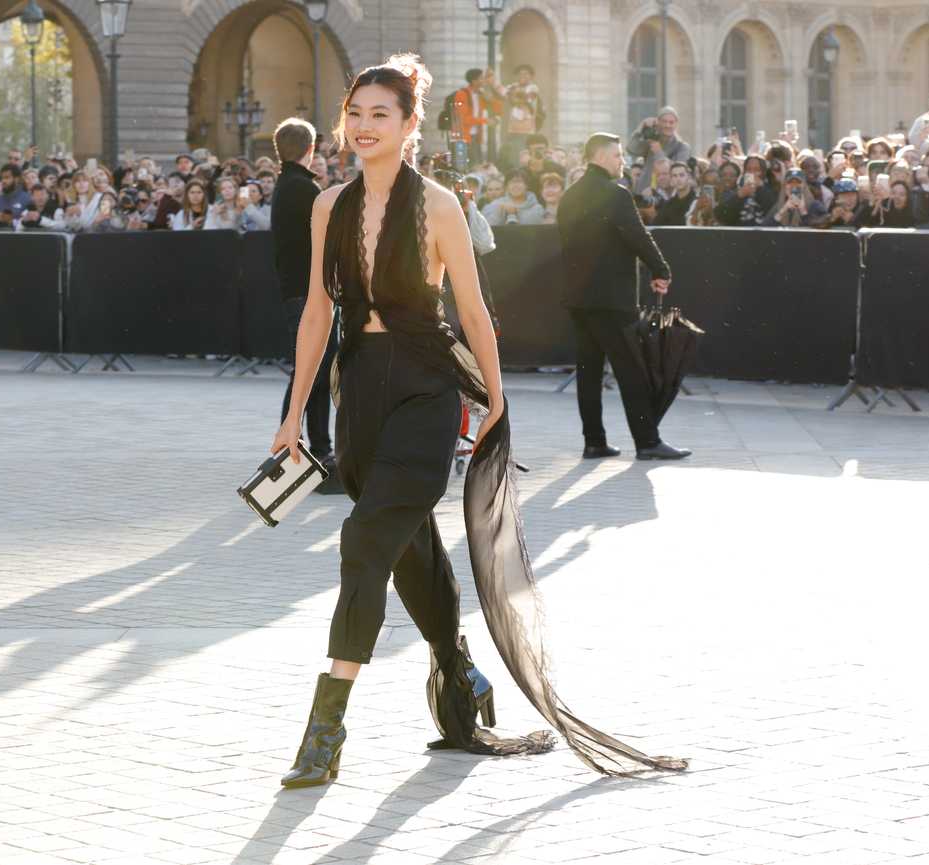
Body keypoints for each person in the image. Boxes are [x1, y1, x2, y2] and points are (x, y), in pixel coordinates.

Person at [271, 55, 687, 790]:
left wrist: (495, 397)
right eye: (356, 114)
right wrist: (293, 419)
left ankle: (324, 729)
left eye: (380, 115)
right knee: (410, 551)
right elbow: (315, 312)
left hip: (429, 392)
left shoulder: (437, 206)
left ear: (407, 126)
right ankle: (460, 673)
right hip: (359, 391)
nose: (364, 127)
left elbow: (472, 312)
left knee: (364, 541)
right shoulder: (326, 205)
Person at [556, 132, 691, 461]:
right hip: (612, 300)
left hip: (579, 298)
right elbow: (637, 237)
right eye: (617, 156)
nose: (622, 162)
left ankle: (594, 441)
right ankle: (647, 441)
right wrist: (661, 270)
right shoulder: (614, 194)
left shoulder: (569, 196)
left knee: (588, 372)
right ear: (601, 157)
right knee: (633, 372)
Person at [271, 117, 337, 467]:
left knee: (314, 372)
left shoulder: (285, 186)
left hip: (300, 293)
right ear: (311, 150)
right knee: (311, 373)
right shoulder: (306, 190)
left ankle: (316, 448)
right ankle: (300, 450)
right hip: (309, 295)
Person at [627, 106, 692, 193]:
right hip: (644, 190)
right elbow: (631, 149)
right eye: (664, 121)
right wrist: (641, 127)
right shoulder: (651, 141)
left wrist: (659, 152)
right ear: (658, 122)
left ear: (676, 124)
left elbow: (678, 171)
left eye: (671, 122)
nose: (667, 125)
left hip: (667, 195)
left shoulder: (682, 147)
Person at [495, 63, 544, 170]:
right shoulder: (513, 87)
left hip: (527, 130)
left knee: (523, 155)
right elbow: (503, 92)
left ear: (531, 76)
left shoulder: (533, 88)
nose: (523, 76)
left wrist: (511, 94)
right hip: (513, 130)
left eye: (526, 74)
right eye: (520, 74)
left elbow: (524, 97)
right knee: (512, 155)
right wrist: (493, 81)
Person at [452, 68, 504, 167]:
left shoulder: (480, 95)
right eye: (481, 78)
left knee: (477, 165)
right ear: (474, 81)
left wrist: (491, 92)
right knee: (464, 167)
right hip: (463, 137)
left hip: (476, 137)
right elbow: (463, 119)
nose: (484, 81)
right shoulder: (462, 94)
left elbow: (498, 109)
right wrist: (486, 121)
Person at [0, 164, 32, 230]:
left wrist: (14, 220)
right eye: (2, 178)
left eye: (7, 177)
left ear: (16, 179)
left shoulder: (28, 199)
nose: (3, 181)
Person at [654, 161, 695, 225]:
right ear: (671, 179)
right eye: (675, 176)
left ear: (688, 177)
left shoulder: (697, 201)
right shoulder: (668, 205)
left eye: (681, 175)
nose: (678, 179)